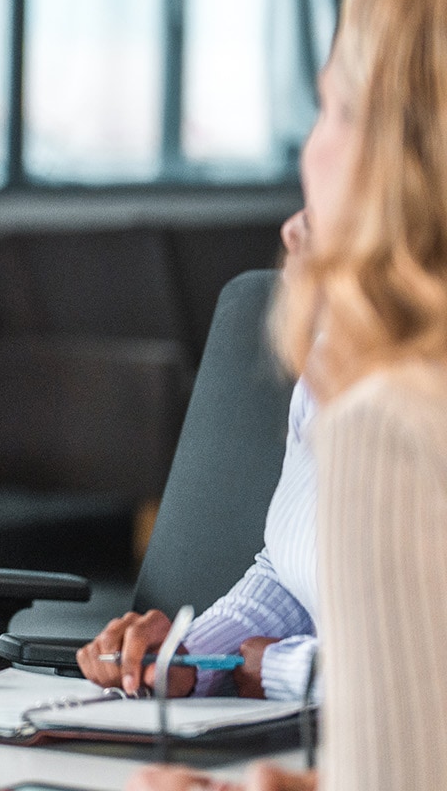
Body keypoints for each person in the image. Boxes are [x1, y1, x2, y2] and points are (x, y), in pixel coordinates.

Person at [129, 0, 447, 790]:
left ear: (401, 158)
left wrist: (263, 675)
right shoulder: (363, 382)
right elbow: (294, 569)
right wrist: (202, 654)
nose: (311, 154)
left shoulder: (393, 419)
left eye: (332, 110)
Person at [76, 211, 319, 702]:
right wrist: (187, 658)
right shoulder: (324, 377)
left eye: (324, 205)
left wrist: (283, 669)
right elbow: (293, 574)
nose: (291, 228)